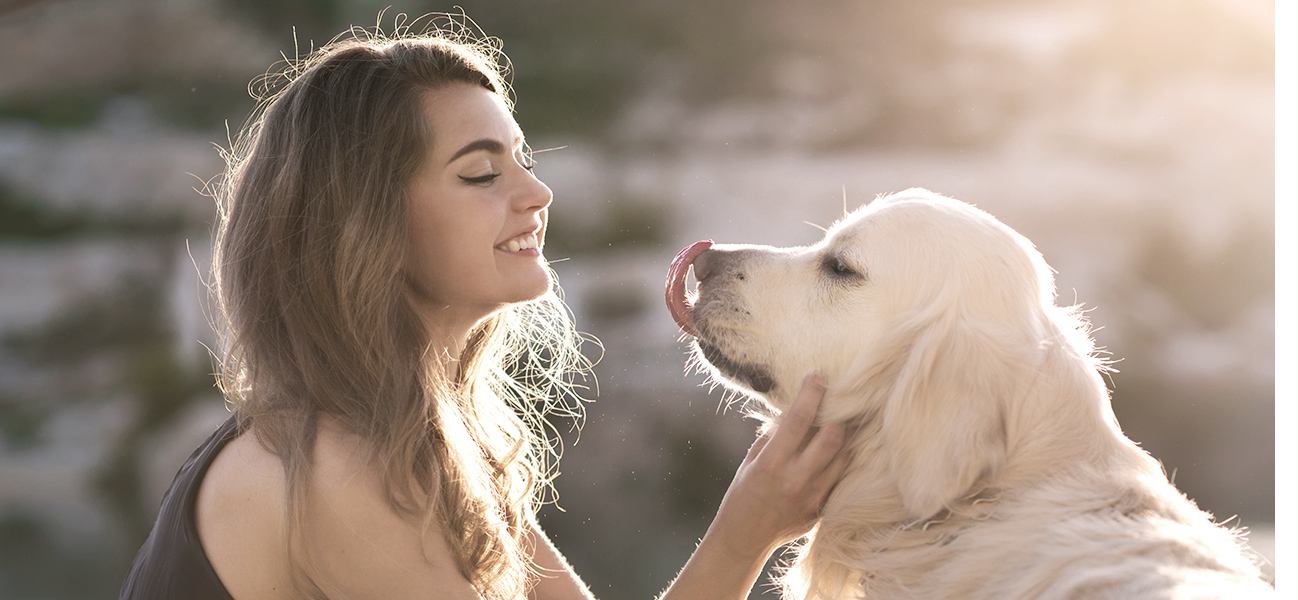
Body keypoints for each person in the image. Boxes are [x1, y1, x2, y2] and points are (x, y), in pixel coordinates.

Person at [119, 21, 849, 600]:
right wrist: (745, 532)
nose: (537, 193)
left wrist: (753, 518)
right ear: (365, 226)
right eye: (480, 172)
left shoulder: (422, 439)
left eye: (523, 158)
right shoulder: (332, 472)